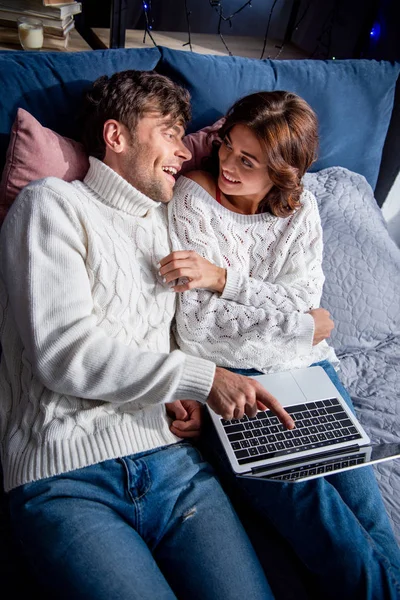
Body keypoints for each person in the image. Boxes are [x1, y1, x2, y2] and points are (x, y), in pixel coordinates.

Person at [0, 71, 299, 600]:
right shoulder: (50, 205)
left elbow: (193, 328)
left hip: (175, 464)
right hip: (67, 476)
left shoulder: (170, 221)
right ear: (115, 137)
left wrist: (185, 394)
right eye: (169, 132)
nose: (185, 152)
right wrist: (201, 381)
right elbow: (64, 353)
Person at [162, 91, 400, 599]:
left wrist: (224, 279)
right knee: (322, 519)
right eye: (227, 146)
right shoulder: (192, 199)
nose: (226, 163)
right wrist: (300, 326)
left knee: (369, 515)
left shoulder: (302, 207)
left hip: (312, 369)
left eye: (247, 160)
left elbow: (302, 297)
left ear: (283, 173)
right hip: (239, 384)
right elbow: (202, 325)